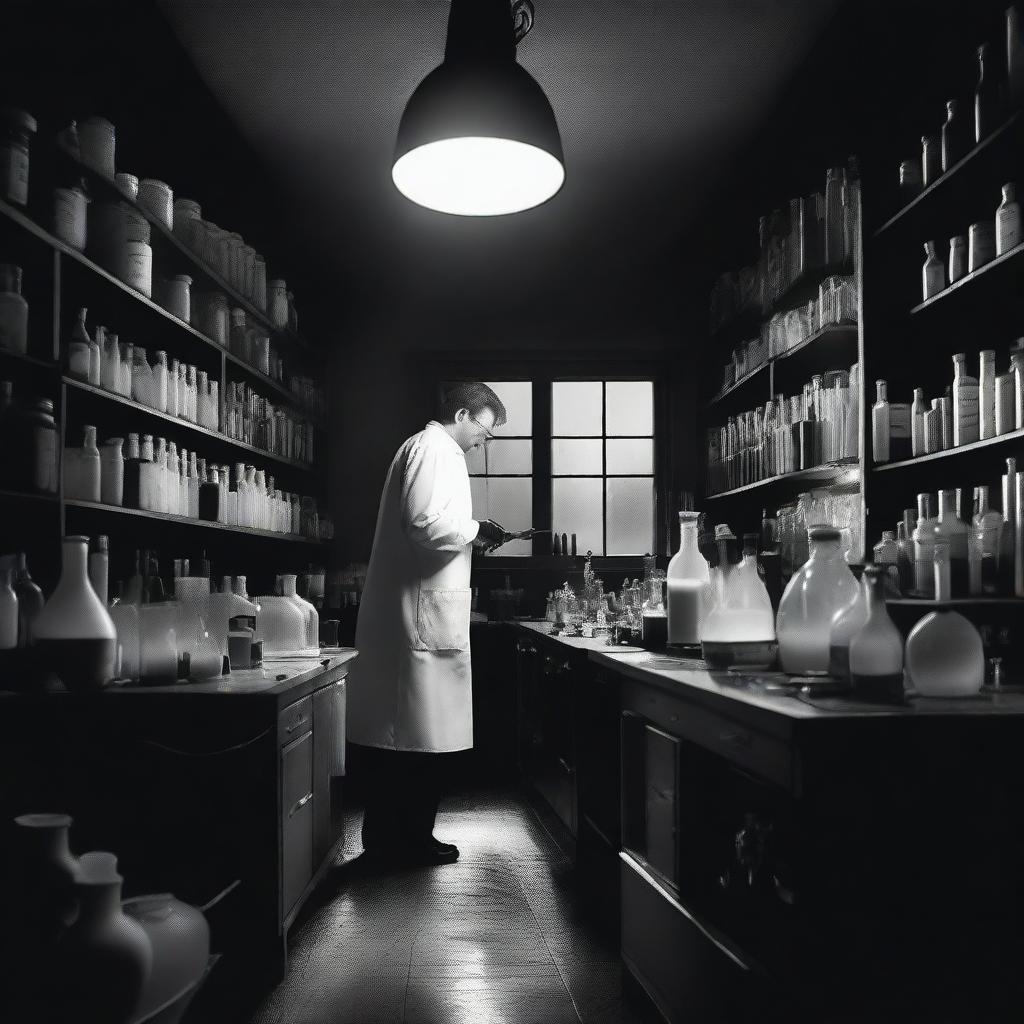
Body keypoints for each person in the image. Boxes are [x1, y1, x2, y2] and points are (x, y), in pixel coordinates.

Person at [347, 382, 509, 865]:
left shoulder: (426, 449)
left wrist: (474, 535)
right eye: (484, 429)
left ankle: (402, 837)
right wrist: (477, 531)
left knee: (415, 738)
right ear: (461, 413)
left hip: (423, 613)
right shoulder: (436, 450)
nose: (485, 441)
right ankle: (404, 840)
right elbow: (422, 522)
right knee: (415, 740)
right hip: (416, 617)